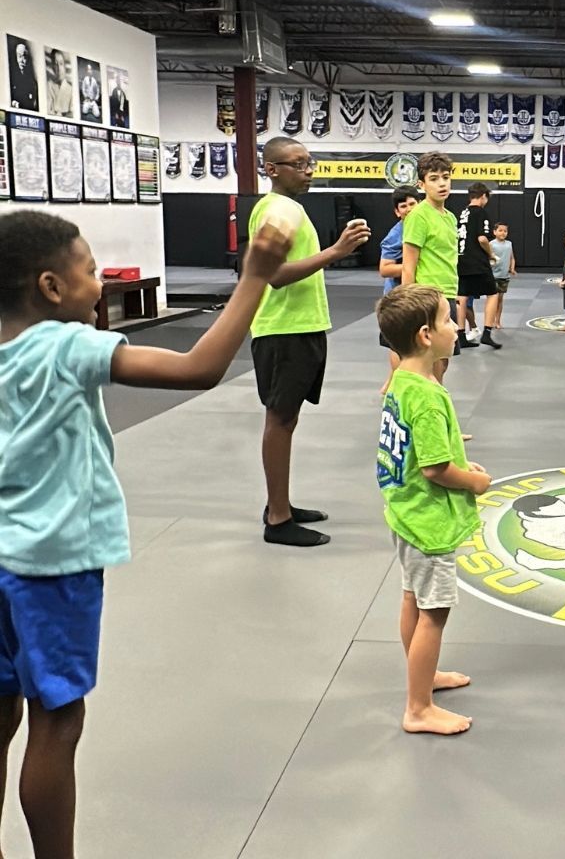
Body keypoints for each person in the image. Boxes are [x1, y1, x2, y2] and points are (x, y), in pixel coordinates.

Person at [0, 209, 290, 859]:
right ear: (51, 288)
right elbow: (198, 369)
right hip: (51, 566)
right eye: (89, 271)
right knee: (57, 724)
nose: (99, 283)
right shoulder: (67, 347)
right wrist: (256, 277)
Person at [375, 284, 492, 735]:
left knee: (413, 596)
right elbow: (436, 468)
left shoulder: (402, 381)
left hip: (404, 512)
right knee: (434, 611)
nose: (455, 325)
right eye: (447, 319)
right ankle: (418, 707)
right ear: (426, 335)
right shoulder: (426, 397)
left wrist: (461, 462)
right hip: (427, 520)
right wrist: (474, 481)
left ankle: (421, 676)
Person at [249, 136, 370, 547]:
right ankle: (278, 520)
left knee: (288, 419)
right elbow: (275, 274)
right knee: (280, 420)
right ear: (272, 169)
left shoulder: (290, 208)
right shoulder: (277, 210)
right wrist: (337, 251)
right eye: (298, 164)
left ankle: (278, 503)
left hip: (301, 327)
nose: (309, 170)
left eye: (310, 162)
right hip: (284, 331)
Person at [401, 152, 461, 383]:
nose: (442, 183)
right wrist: (409, 306)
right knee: (428, 361)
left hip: (449, 294)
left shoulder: (451, 218)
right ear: (422, 184)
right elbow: (408, 266)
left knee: (443, 360)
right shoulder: (418, 216)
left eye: (445, 177)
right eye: (434, 178)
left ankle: (435, 401)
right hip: (427, 298)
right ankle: (430, 407)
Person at [378, 185, 422, 394]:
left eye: (412, 203)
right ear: (397, 212)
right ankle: (398, 388)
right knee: (399, 345)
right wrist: (413, 265)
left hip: (421, 292)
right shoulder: (397, 234)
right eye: (403, 206)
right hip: (398, 295)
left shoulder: (425, 224)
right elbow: (384, 268)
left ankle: (391, 382)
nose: (408, 208)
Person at [455, 183, 502, 351]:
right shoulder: (480, 212)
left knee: (462, 296)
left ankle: (460, 335)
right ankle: (487, 333)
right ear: (483, 196)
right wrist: (491, 254)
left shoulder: (463, 213)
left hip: (461, 259)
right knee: (493, 293)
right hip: (477, 260)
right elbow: (482, 239)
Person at [489, 222, 515, 330]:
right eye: (500, 230)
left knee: (500, 299)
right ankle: (489, 321)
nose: (503, 233)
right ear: (494, 232)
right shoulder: (491, 244)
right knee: (492, 299)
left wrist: (512, 268)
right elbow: (488, 258)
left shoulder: (509, 244)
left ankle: (497, 321)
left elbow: (512, 257)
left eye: (505, 231)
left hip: (504, 276)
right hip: (493, 275)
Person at [9, 41, 38, 113]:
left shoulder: (31, 79)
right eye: (19, 56)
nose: (21, 60)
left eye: (24, 56)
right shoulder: (12, 77)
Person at [46, 48, 73, 118]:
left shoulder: (70, 89)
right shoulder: (48, 86)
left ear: (64, 66)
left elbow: (72, 113)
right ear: (52, 66)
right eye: (55, 64)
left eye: (61, 64)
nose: (58, 68)